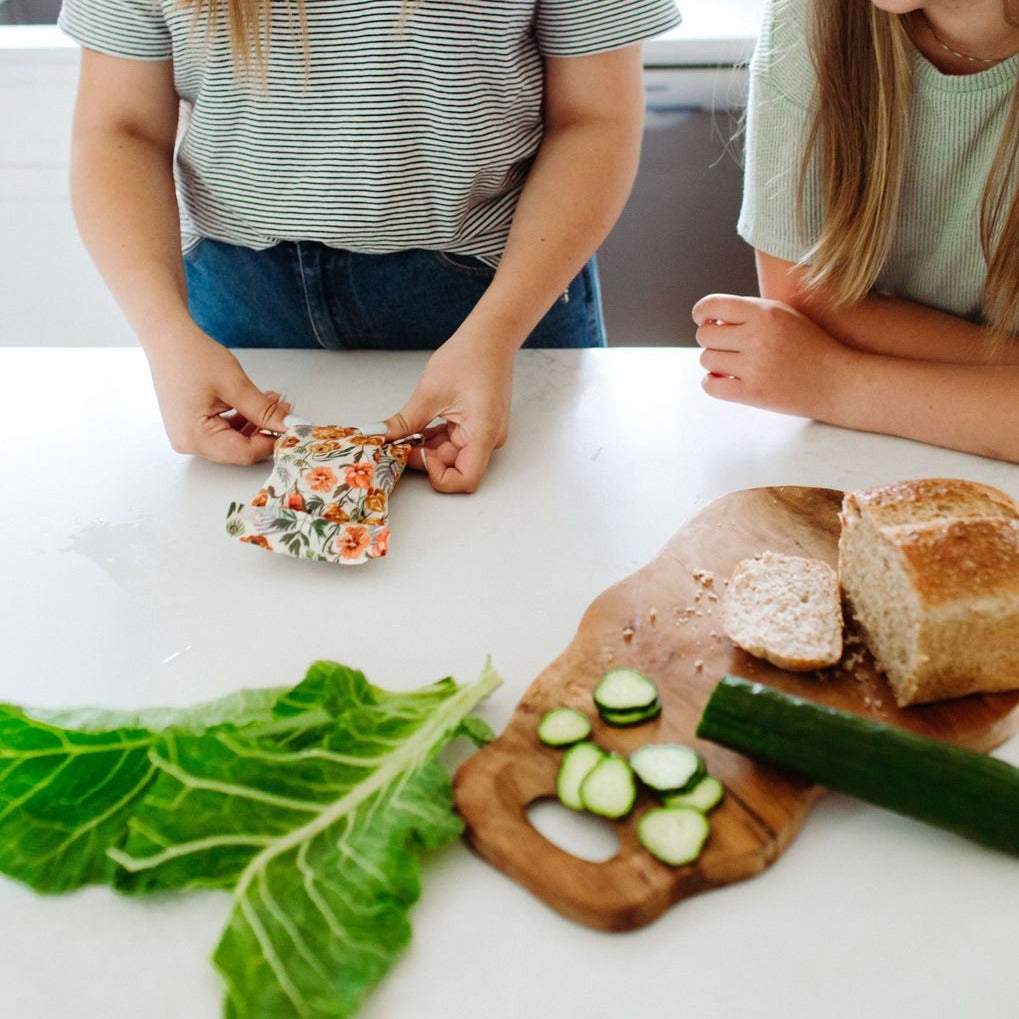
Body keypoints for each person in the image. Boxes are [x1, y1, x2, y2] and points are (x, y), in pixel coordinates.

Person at [58, 0, 680, 491]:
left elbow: (594, 118)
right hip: (236, 316)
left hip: (495, 303)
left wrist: (494, 334)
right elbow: (122, 128)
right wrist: (166, 335)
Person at [693, 0, 1019, 463]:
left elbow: (810, 341)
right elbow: (802, 298)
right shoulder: (809, 16)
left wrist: (834, 382)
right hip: (872, 453)